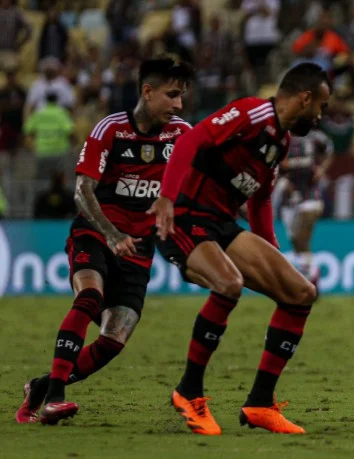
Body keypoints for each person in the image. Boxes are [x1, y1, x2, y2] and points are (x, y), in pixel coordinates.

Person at [149, 62, 331, 436]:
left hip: (221, 225)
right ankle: (188, 391)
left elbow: (261, 200)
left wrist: (272, 251)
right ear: (305, 98)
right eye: (321, 107)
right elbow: (189, 141)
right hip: (184, 215)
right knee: (229, 283)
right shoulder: (252, 113)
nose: (320, 116)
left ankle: (260, 404)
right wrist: (166, 199)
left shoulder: (280, 142)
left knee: (300, 292)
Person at [16, 57, 194, 425]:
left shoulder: (181, 134)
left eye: (182, 97)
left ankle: (40, 387)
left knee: (113, 340)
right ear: (147, 91)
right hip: (96, 232)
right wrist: (112, 235)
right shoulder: (110, 129)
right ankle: (54, 399)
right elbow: (82, 191)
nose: (178, 105)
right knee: (90, 296)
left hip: (139, 248)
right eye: (172, 95)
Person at [278, 128, 334, 283]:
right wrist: (282, 182)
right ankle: (310, 273)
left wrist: (322, 169)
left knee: (302, 238)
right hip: (288, 200)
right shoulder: (279, 138)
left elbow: (329, 149)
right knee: (295, 241)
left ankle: (311, 279)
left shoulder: (314, 137)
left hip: (310, 196)